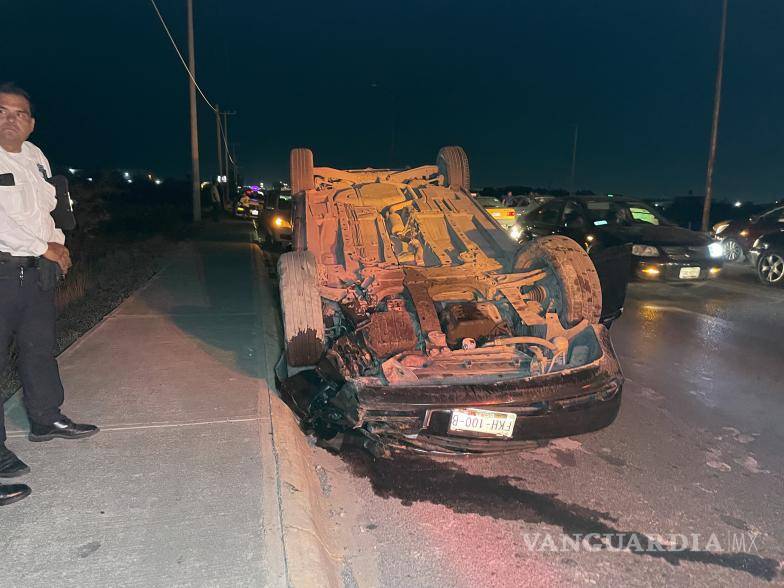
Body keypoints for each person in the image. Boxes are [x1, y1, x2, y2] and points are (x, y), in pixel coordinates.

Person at [0, 83, 98, 506]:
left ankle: (44, 419)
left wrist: (58, 247)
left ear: (31, 122)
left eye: (19, 113)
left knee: (39, 349)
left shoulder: (36, 156)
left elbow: (52, 207)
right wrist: (45, 248)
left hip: (35, 275)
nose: (10, 119)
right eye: (1, 111)